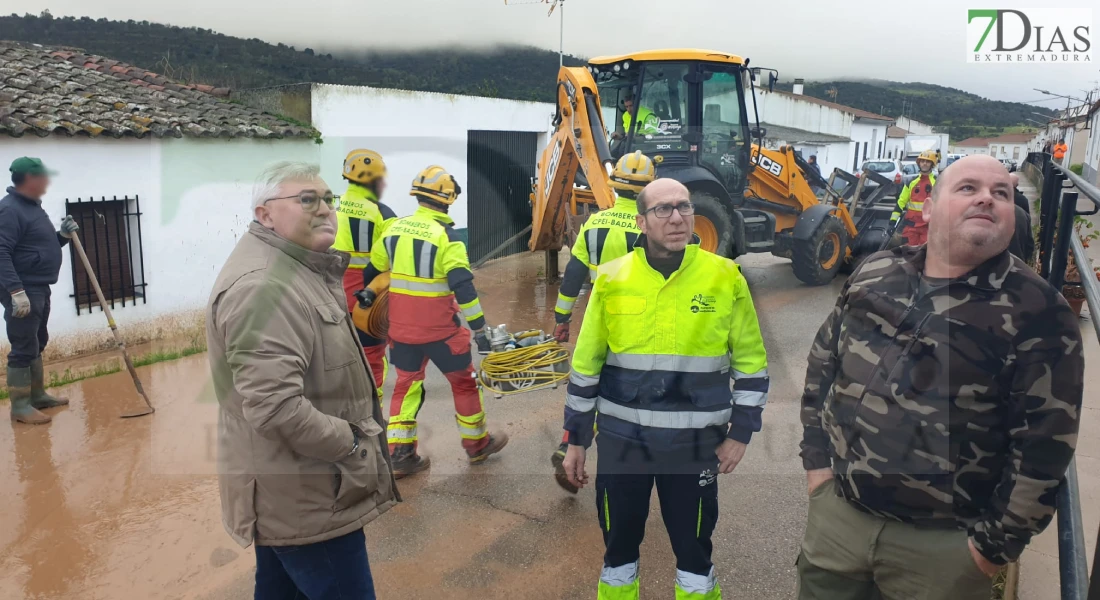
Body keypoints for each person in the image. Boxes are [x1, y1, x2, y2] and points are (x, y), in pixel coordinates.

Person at [797, 155, 1083, 600]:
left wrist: (989, 549)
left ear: (1013, 216)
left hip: (944, 549)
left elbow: (1044, 448)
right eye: (967, 188)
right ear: (928, 207)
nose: (986, 197)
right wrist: (817, 468)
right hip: (839, 520)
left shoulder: (1039, 313)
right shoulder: (874, 273)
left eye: (1001, 193)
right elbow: (821, 367)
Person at [561, 178, 769, 600]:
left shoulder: (724, 277)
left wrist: (741, 435)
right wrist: (576, 440)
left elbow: (751, 365)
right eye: (663, 209)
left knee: (694, 555)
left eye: (684, 207)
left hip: (693, 448)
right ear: (641, 221)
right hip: (622, 445)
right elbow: (586, 367)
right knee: (618, 553)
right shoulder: (612, 278)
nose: (676, 217)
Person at [207, 161, 398, 600]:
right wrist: (354, 444)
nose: (325, 209)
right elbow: (275, 408)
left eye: (328, 199)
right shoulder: (264, 288)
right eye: (307, 200)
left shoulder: (297, 269)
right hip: (310, 502)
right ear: (265, 214)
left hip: (294, 494)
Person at [360, 165, 508, 477]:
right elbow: (463, 287)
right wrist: (479, 329)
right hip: (442, 333)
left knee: (406, 384)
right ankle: (477, 445)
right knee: (464, 384)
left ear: (417, 195)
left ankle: (400, 454)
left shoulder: (393, 229)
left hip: (400, 331)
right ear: (448, 200)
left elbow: (371, 273)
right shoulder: (448, 239)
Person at [550, 150, 656, 494]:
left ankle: (570, 444)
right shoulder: (652, 227)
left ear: (614, 187)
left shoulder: (593, 224)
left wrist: (562, 320)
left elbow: (572, 278)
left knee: (587, 384)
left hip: (599, 321)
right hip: (640, 325)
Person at [0, 157, 79, 425]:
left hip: (39, 286)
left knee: (37, 341)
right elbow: (1, 252)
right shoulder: (10, 210)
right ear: (30, 180)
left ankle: (37, 395)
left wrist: (62, 237)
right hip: (23, 288)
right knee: (23, 345)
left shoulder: (33, 208)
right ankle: (20, 407)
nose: (47, 182)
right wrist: (15, 291)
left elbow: (37, 247)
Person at [335, 149, 400, 396]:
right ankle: (373, 416)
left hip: (326, 298)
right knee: (372, 357)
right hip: (367, 298)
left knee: (333, 360)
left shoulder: (329, 206)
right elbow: (396, 256)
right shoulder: (383, 213)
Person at [889, 149, 938, 246]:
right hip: (911, 227)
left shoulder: (937, 182)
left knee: (924, 255)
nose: (924, 164)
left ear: (932, 164)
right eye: (922, 161)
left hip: (928, 227)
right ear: (919, 163)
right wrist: (892, 222)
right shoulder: (911, 182)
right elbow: (901, 202)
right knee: (908, 254)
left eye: (927, 162)